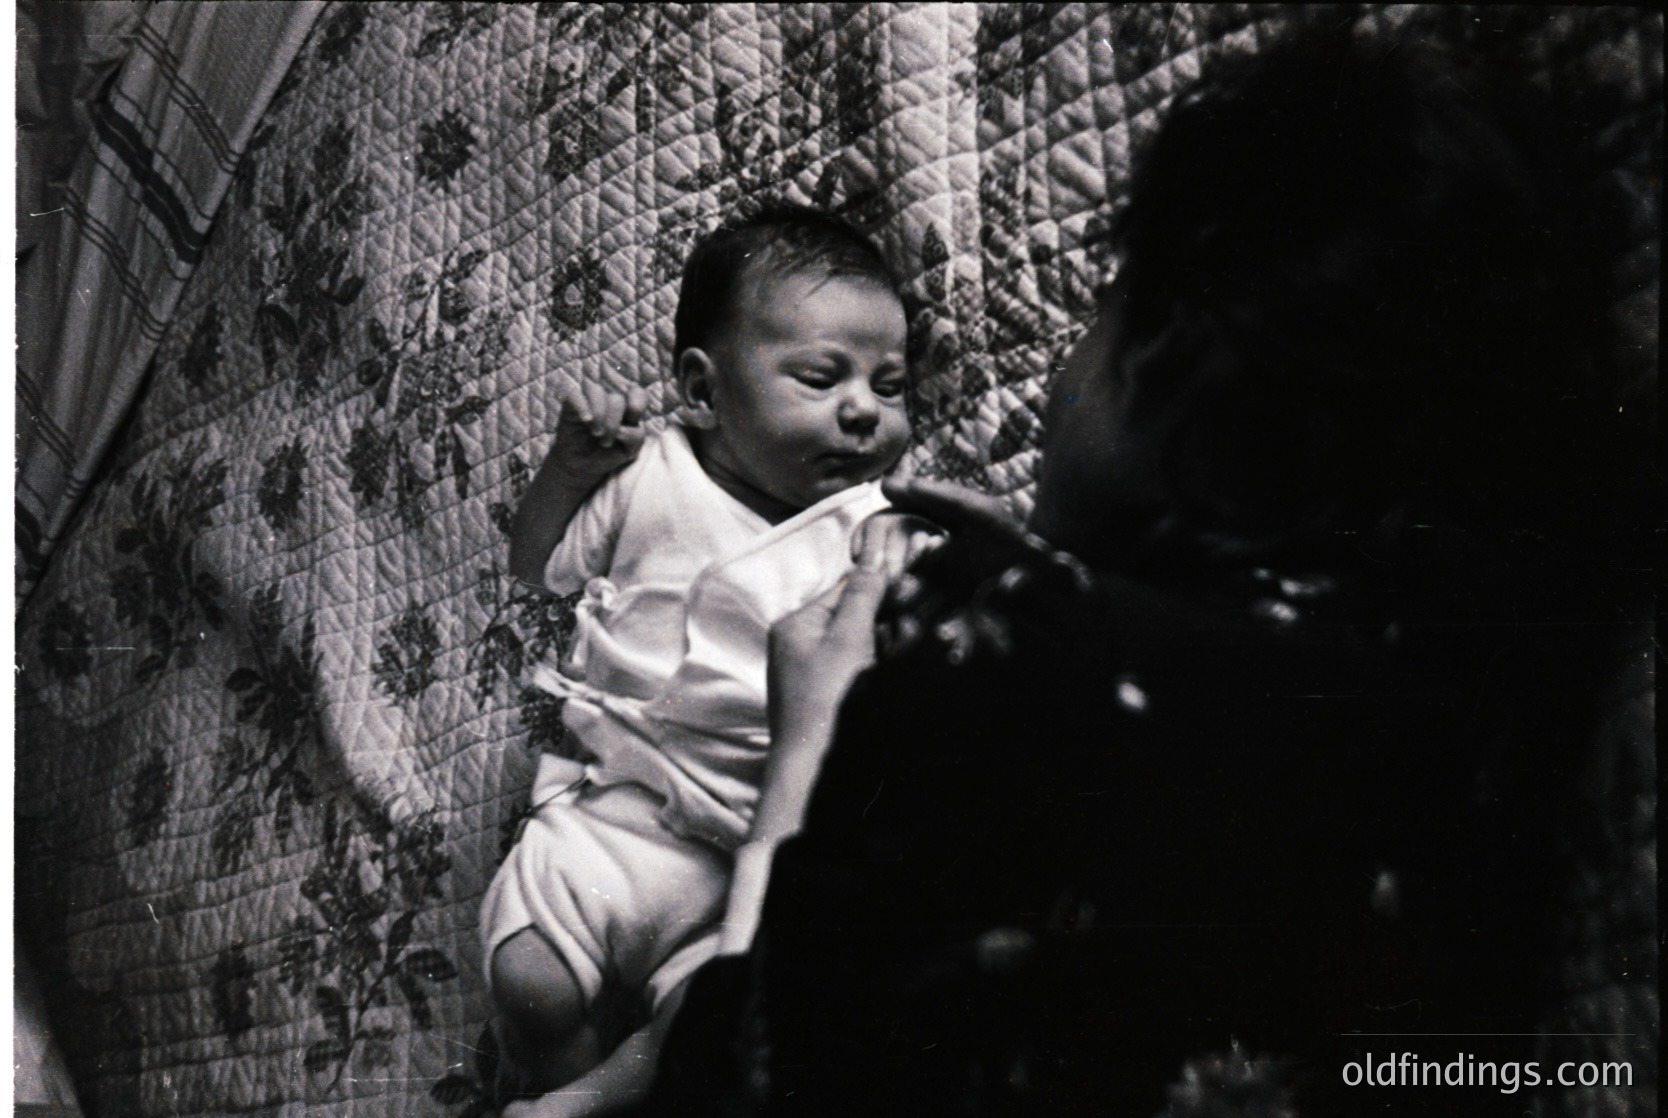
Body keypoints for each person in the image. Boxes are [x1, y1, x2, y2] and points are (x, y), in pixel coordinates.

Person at [643, 31, 1652, 1118]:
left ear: (1164, 349)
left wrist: (810, 744)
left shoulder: (1002, 646)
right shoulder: (1482, 732)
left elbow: (729, 1082)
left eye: (1104, 305)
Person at [483, 207, 922, 1115]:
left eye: (891, 387)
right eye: (821, 377)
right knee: (527, 976)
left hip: (736, 853)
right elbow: (537, 564)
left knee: (710, 1015)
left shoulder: (875, 529)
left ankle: (584, 1104)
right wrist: (568, 471)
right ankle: (563, 1078)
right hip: (611, 820)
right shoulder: (650, 475)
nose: (863, 409)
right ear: (702, 386)